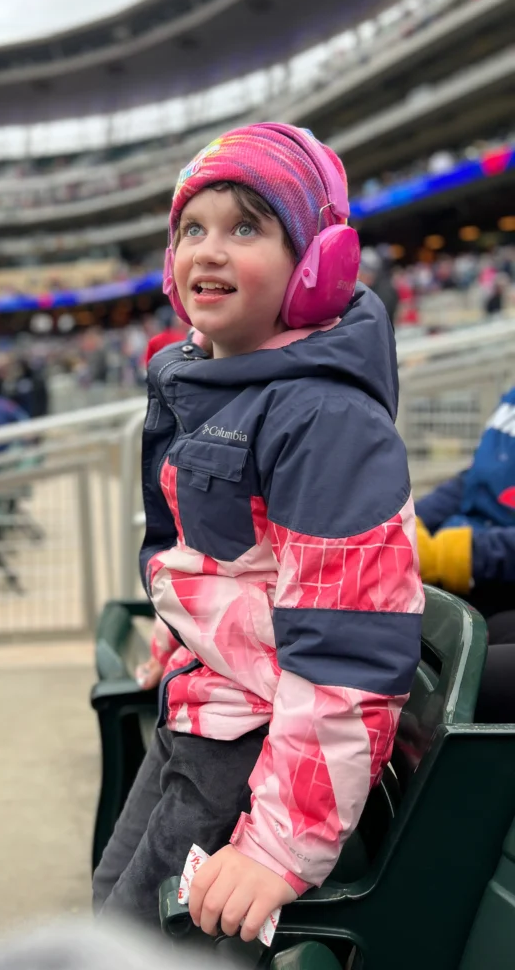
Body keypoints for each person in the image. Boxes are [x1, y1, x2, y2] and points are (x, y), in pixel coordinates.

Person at [92, 124, 424, 938]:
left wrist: (279, 847)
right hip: (204, 708)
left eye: (245, 227)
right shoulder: (206, 381)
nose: (207, 251)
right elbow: (222, 562)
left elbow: (347, 655)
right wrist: (185, 643)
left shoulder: (324, 420)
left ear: (316, 267)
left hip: (257, 748)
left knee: (139, 943)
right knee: (108, 911)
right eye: (191, 230)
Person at [415, 385, 515, 722]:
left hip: (497, 579)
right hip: (485, 580)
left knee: (455, 685)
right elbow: (475, 480)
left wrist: (451, 554)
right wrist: (409, 522)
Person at [359, 246, 398, 327]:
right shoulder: (371, 288)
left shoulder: (385, 290)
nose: (359, 277)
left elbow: (378, 318)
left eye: (362, 272)